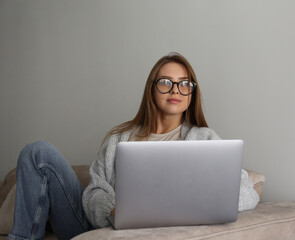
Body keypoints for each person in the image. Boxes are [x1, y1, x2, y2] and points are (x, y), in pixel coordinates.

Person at [9, 52, 259, 240]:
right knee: (37, 152)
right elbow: (95, 191)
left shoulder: (205, 140)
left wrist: (188, 203)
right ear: (152, 90)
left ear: (192, 94)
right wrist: (115, 211)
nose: (176, 90)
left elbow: (247, 192)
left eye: (185, 83)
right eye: (166, 82)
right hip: (98, 228)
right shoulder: (120, 138)